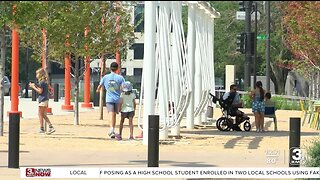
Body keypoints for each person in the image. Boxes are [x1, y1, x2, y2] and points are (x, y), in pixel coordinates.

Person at [96, 62, 125, 138]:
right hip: (117, 99)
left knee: (111, 114)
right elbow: (123, 87)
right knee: (113, 114)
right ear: (117, 68)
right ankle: (112, 129)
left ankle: (112, 129)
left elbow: (100, 85)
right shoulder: (120, 78)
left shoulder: (105, 77)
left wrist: (98, 90)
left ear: (110, 68)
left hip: (109, 98)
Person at [29, 68, 55, 134]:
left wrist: (33, 87)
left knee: (40, 114)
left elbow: (40, 91)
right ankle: (49, 127)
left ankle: (43, 128)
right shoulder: (45, 82)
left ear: (40, 74)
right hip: (45, 99)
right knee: (43, 114)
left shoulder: (41, 82)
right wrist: (35, 86)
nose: (36, 75)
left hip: (42, 99)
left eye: (37, 74)